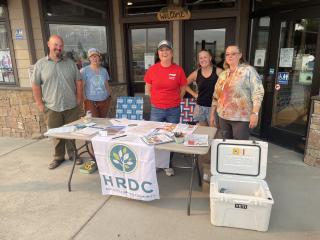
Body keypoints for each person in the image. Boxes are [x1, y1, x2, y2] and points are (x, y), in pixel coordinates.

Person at [32, 35, 83, 169]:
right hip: (52, 106)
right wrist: (39, 104)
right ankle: (58, 157)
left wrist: (79, 98)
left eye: (60, 46)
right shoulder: (40, 64)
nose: (58, 48)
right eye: (56, 45)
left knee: (71, 132)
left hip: (70, 105)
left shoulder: (70, 63)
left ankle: (73, 154)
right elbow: (35, 85)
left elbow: (78, 80)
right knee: (56, 134)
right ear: (49, 44)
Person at [144, 40, 187, 176]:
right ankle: (157, 163)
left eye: (167, 50)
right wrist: (155, 100)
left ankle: (167, 164)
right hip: (157, 109)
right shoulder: (152, 69)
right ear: (158, 53)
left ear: (172, 53)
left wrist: (176, 100)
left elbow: (183, 88)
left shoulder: (178, 70)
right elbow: (148, 87)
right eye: (161, 50)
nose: (164, 52)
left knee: (171, 136)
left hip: (173, 109)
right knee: (156, 136)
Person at [210, 45, 264, 140]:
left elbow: (258, 92)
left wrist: (255, 113)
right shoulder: (223, 74)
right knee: (225, 146)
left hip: (241, 119)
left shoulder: (248, 71)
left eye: (233, 54)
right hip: (223, 117)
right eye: (227, 54)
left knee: (239, 148)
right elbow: (216, 96)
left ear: (240, 55)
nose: (230, 56)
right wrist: (212, 115)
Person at [185, 49, 223, 126]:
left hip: (214, 108)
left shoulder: (219, 72)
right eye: (200, 58)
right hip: (200, 107)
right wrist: (194, 94)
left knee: (214, 132)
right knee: (203, 133)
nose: (203, 60)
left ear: (210, 58)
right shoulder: (196, 73)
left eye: (205, 57)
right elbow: (184, 84)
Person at [81, 48, 112, 118]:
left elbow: (106, 84)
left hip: (104, 100)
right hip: (90, 101)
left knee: (103, 121)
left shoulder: (104, 70)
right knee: (94, 123)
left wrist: (109, 97)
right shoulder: (84, 71)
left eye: (96, 56)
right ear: (89, 58)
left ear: (99, 57)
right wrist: (85, 100)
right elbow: (82, 86)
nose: (94, 58)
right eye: (92, 56)